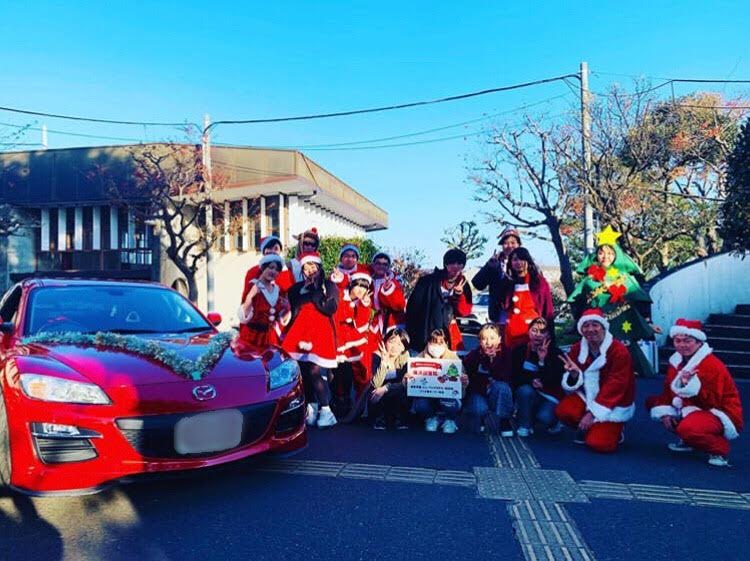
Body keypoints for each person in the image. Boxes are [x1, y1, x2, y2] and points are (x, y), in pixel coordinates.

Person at [646, 319, 743, 467]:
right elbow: (668, 392)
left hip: (718, 411)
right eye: (678, 341)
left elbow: (711, 402)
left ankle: (719, 449)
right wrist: (665, 413)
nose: (682, 345)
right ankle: (689, 440)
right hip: (690, 406)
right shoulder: (677, 361)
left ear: (699, 342)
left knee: (688, 428)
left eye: (687, 341)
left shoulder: (711, 365)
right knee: (652, 402)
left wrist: (688, 385)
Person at [567, 226, 658, 376]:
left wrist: (648, 321)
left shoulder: (624, 277)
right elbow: (579, 303)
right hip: (597, 329)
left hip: (622, 326)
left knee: (629, 362)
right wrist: (578, 322)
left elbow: (639, 299)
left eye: (610, 253)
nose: (605, 256)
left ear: (616, 255)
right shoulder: (588, 280)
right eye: (601, 252)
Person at [556, 308, 636, 453]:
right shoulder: (577, 348)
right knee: (564, 411)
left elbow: (616, 385)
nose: (590, 329)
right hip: (586, 396)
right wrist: (574, 375)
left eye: (595, 325)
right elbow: (574, 382)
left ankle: (613, 428)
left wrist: (592, 413)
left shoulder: (619, 351)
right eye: (586, 326)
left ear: (603, 327)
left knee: (599, 444)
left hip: (612, 402)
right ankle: (588, 427)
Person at [281, 251, 339, 428]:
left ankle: (327, 410)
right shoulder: (296, 288)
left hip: (319, 333)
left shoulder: (328, 285)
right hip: (299, 333)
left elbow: (330, 308)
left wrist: (316, 290)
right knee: (303, 372)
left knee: (315, 371)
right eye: (306, 267)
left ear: (319, 267)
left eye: (313, 266)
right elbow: (291, 310)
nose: (309, 270)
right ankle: (311, 407)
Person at [405, 248, 472, 352]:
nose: (456, 266)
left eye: (460, 263)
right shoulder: (428, 281)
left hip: (449, 330)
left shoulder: (463, 284)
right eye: (452, 263)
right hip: (426, 329)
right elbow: (413, 306)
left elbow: (465, 312)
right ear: (445, 264)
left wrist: (459, 296)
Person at [407, 329, 468, 434]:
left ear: (446, 344)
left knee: (450, 403)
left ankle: (450, 420)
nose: (436, 346)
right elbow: (410, 384)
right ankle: (431, 418)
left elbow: (463, 386)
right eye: (433, 342)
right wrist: (407, 379)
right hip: (427, 395)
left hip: (447, 396)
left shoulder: (454, 359)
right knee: (420, 404)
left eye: (440, 343)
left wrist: (464, 382)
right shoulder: (419, 358)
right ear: (428, 343)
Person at [512, 317, 565, 437]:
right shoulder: (519, 350)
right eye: (534, 330)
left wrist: (542, 361)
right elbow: (514, 375)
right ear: (528, 331)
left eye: (542, 332)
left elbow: (557, 378)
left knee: (544, 417)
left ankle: (553, 421)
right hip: (529, 392)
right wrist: (531, 381)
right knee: (524, 391)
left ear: (549, 334)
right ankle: (525, 424)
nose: (537, 335)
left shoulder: (556, 353)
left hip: (549, 394)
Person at [331, 271, 372, 415]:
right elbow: (338, 316)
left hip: (356, 344)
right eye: (358, 286)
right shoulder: (341, 295)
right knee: (338, 373)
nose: (361, 290)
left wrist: (364, 307)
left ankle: (358, 406)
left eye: (365, 287)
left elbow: (361, 326)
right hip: (338, 342)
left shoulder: (364, 302)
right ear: (351, 285)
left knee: (359, 373)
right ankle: (339, 402)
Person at [462, 323, 514, 436]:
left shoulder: (507, 354)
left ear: (499, 339)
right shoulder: (474, 355)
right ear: (479, 341)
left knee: (502, 387)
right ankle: (481, 418)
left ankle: (504, 420)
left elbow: (506, 376)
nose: (488, 343)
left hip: (498, 390)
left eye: (492, 338)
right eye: (484, 339)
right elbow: (469, 377)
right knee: (477, 408)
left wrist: (492, 361)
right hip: (480, 391)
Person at [498, 247, 554, 349]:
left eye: (522, 259)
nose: (518, 262)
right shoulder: (506, 283)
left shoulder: (539, 282)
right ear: (510, 262)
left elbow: (548, 310)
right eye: (515, 259)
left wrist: (550, 335)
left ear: (528, 261)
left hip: (533, 334)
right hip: (511, 334)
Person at [237, 254, 289, 352]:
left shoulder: (278, 290)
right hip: (251, 336)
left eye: (277, 269)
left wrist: (286, 309)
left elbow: (281, 317)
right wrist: (250, 296)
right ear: (263, 267)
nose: (273, 271)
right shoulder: (254, 285)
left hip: (268, 338)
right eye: (271, 267)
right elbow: (245, 314)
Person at [472, 226, 522, 325]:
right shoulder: (495, 262)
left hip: (520, 313)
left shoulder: (526, 262)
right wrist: (489, 267)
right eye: (506, 243)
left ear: (519, 245)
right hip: (499, 315)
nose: (510, 246)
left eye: (513, 243)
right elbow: (477, 284)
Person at [368, 328, 412, 430]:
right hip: (379, 397)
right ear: (385, 341)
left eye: (400, 344)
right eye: (392, 342)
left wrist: (386, 388)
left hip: (395, 393)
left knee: (406, 387)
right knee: (375, 391)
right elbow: (375, 384)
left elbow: (404, 383)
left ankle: (400, 418)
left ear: (404, 348)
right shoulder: (376, 355)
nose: (395, 347)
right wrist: (384, 363)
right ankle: (379, 418)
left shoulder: (405, 356)